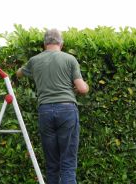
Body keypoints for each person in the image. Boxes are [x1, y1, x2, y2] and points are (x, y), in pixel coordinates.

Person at [16, 28, 89, 184]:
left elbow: (18, 74)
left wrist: (28, 71)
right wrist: (85, 86)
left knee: (52, 164)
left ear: (44, 44)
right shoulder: (69, 59)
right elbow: (82, 89)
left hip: (45, 111)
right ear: (61, 43)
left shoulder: (35, 60)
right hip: (67, 110)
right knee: (68, 164)